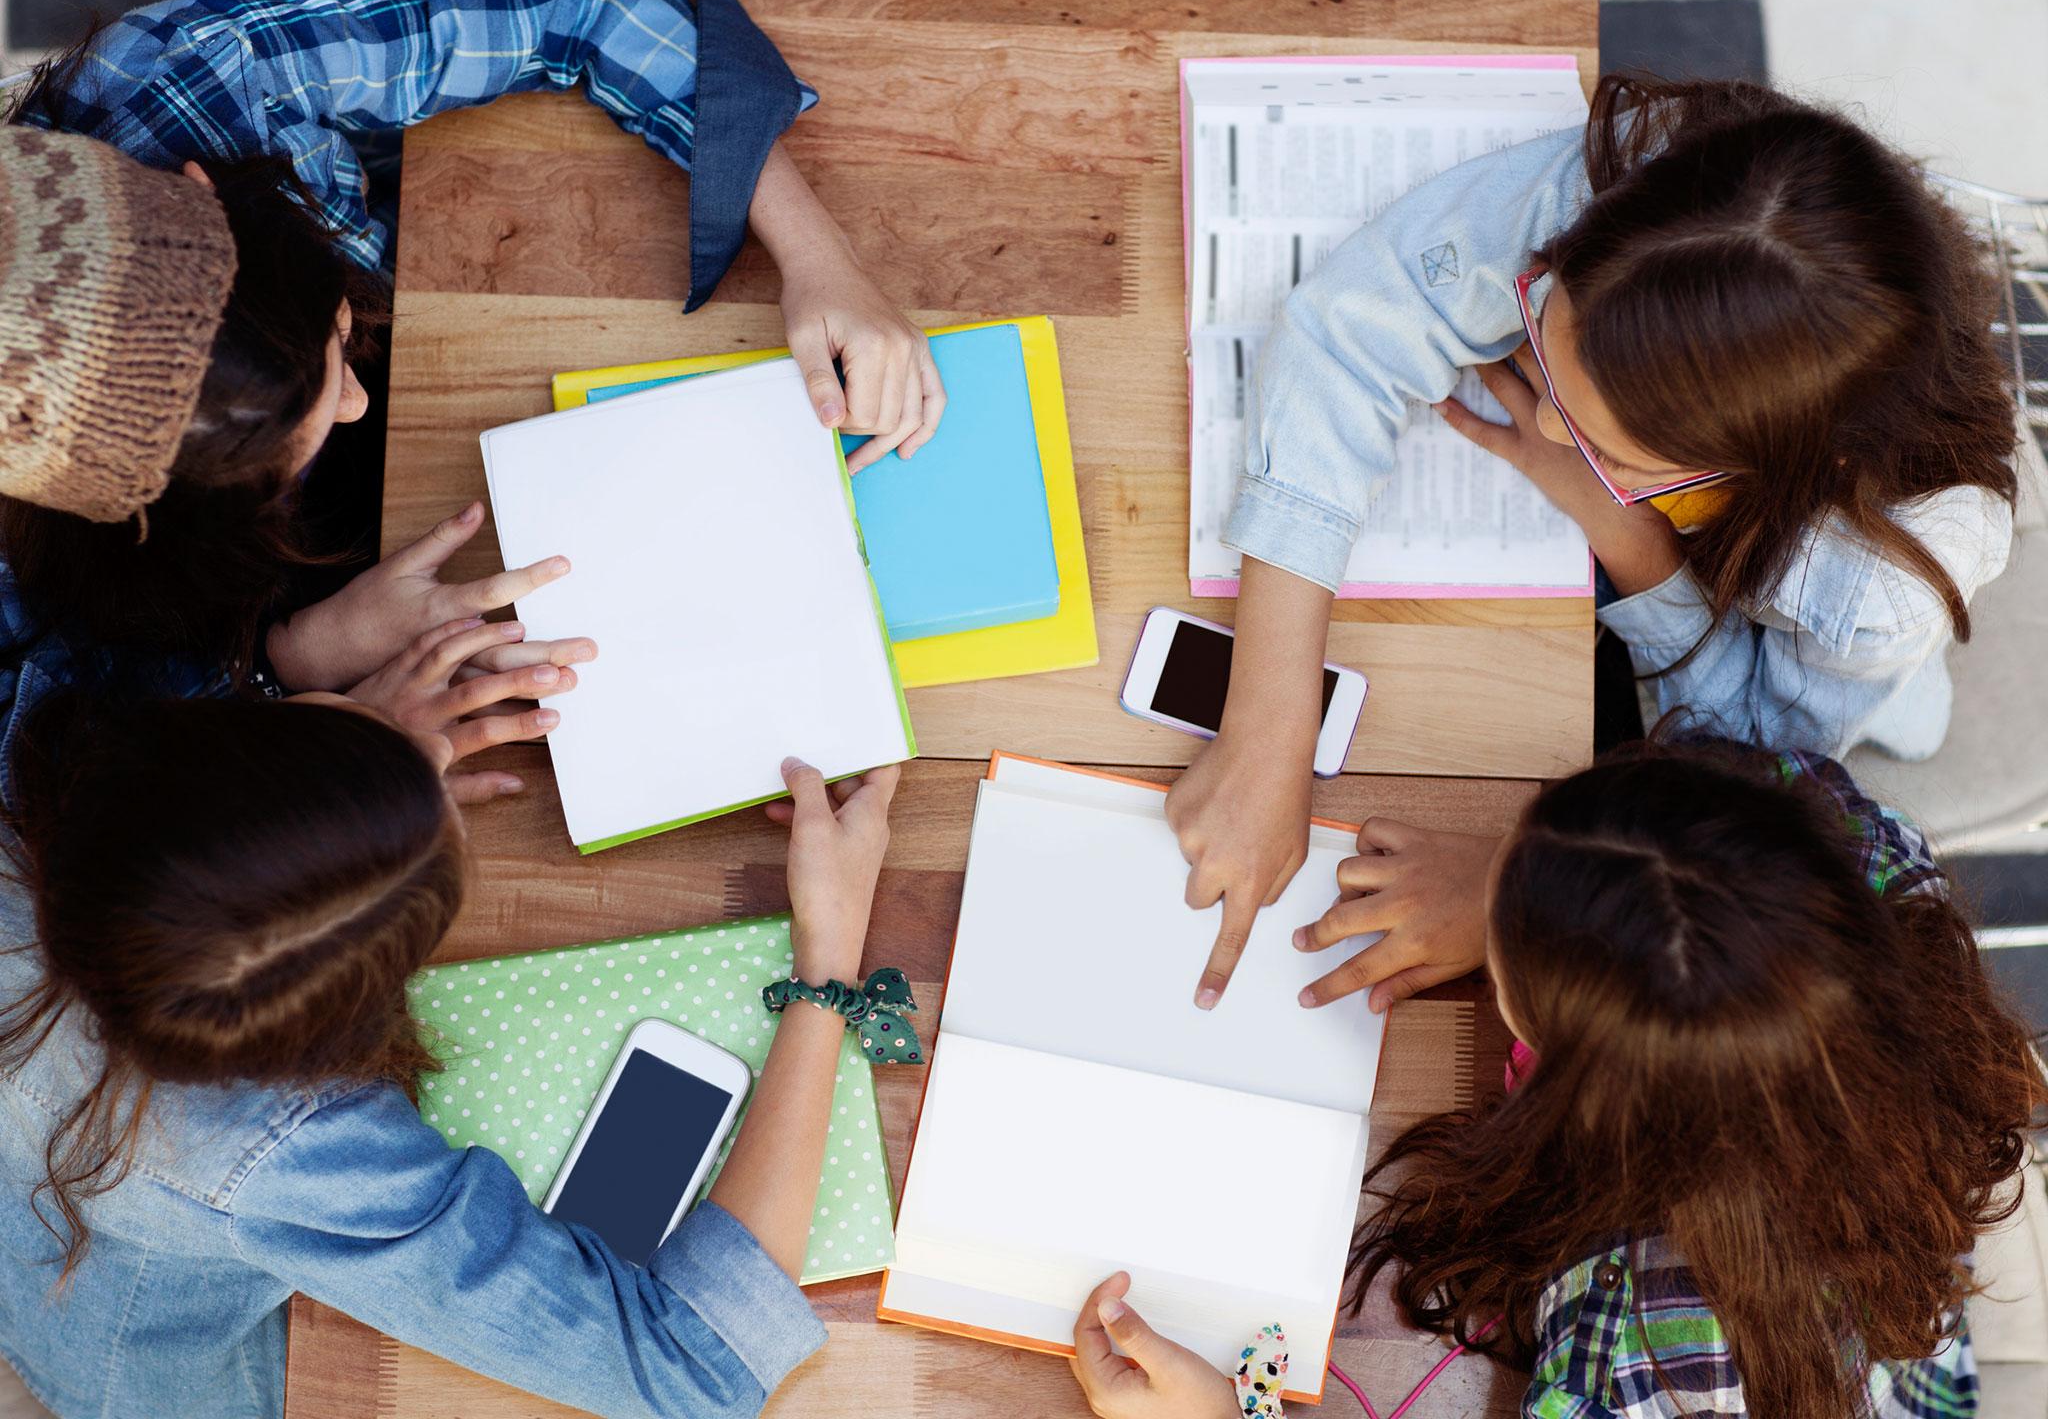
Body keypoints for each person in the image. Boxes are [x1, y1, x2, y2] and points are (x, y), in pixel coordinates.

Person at [0, 0, 944, 787]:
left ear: (205, 191)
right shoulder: (36, 603)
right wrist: (293, 672)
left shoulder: (195, 80)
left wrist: (819, 254)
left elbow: (586, 2)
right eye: (295, 433)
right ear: (131, 509)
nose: (360, 407)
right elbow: (96, 793)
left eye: (335, 336)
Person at [1166, 75, 2019, 1007]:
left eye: (1607, 447)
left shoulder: (1872, 588)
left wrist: (1631, 540)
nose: (1539, 430)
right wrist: (1270, 723)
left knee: (1886, 712)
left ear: (1757, 469)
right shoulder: (1661, 193)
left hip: (1800, 671)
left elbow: (1757, 761)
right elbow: (1359, 317)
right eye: (1543, 333)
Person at [0, 669, 899, 1419]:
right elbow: (693, 1368)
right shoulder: (291, 1151)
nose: (435, 746)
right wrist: (827, 957)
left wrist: (325, 743)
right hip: (123, 1362)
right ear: (355, 1012)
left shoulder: (41, 785)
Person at [1065, 741, 2044, 1419]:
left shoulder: (1622, 1362)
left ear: (1596, 1097)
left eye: (1503, 970)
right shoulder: (1851, 848)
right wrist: (1514, 878)